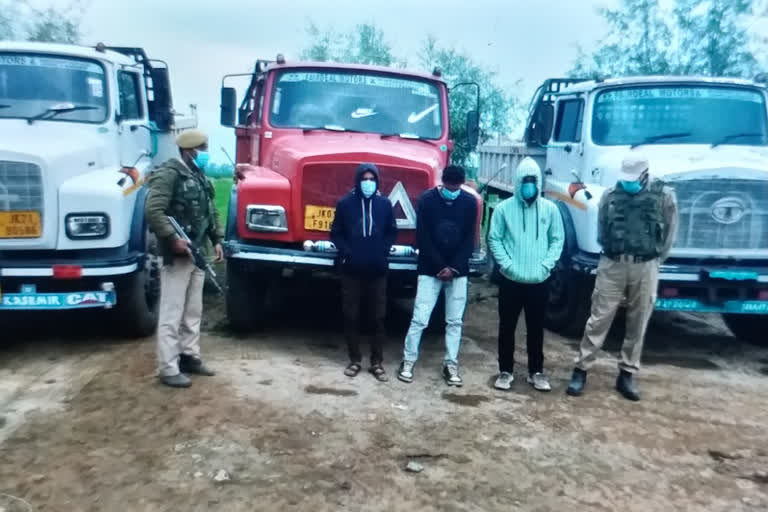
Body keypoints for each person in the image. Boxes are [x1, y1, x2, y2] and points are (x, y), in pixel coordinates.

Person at [566, 153, 678, 401]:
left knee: (638, 321)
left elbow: (670, 233)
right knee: (598, 318)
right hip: (612, 263)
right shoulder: (610, 196)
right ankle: (581, 369)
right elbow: (601, 228)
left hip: (646, 265)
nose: (628, 183)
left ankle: (626, 373)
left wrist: (655, 260)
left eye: (633, 179)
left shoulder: (664, 197)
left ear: (645, 175)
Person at [145, 129, 222, 388]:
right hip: (178, 255)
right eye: (203, 148)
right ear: (190, 151)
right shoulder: (169, 174)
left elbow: (209, 211)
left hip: (197, 252)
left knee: (193, 311)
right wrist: (172, 238)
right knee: (172, 312)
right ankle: (168, 367)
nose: (206, 153)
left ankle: (190, 356)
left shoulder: (198, 175)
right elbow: (153, 210)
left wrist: (217, 239)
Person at [487, 157, 564, 392]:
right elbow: (494, 238)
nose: (529, 186)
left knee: (536, 328)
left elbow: (557, 239)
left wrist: (546, 266)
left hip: (539, 281)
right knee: (506, 328)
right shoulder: (503, 209)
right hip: (511, 281)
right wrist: (507, 265)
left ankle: (536, 372)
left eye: (533, 181)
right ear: (518, 182)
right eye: (525, 181)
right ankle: (505, 371)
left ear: (539, 182)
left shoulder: (550, 209)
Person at [397, 165, 478, 387]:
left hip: (458, 271)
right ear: (442, 182)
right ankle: (408, 361)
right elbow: (423, 237)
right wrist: (441, 266)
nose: (453, 190)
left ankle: (451, 365)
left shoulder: (470, 202)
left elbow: (468, 239)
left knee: (454, 321)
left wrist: (453, 268)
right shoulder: (427, 200)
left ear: (461, 184)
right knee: (420, 319)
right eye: (449, 186)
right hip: (429, 268)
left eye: (457, 187)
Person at [330, 163, 397, 382]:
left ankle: (377, 362)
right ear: (358, 181)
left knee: (378, 317)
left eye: (372, 179)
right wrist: (347, 253)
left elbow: (391, 232)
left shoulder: (385, 205)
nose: (368, 183)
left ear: (377, 181)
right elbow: (336, 234)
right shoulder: (345, 204)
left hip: (377, 271)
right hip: (351, 270)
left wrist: (382, 250)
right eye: (364, 179)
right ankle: (354, 360)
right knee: (351, 315)